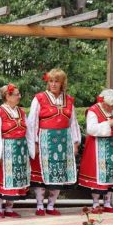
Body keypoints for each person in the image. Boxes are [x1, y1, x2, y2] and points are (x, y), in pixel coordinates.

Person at [27, 68, 81, 216]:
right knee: (41, 176)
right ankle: (39, 206)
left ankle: (51, 205)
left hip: (63, 143)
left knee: (59, 175)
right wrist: (34, 143)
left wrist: (75, 143)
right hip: (44, 142)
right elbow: (32, 122)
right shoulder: (39, 98)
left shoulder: (68, 100)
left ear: (62, 83)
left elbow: (73, 123)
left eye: (57, 81)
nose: (53, 84)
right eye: (51, 81)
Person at [78, 88, 113, 213]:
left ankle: (107, 204)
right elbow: (91, 129)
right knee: (97, 178)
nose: (111, 108)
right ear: (102, 102)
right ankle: (95, 204)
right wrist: (109, 123)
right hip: (97, 148)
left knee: (111, 176)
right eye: (108, 106)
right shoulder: (93, 110)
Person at [0, 83, 30, 218]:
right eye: (16, 94)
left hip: (20, 151)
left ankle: (9, 208)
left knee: (16, 179)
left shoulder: (21, 112)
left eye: (19, 94)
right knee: (2, 179)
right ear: (7, 96)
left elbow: (28, 132)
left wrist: (29, 150)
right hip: (5, 150)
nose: (19, 96)